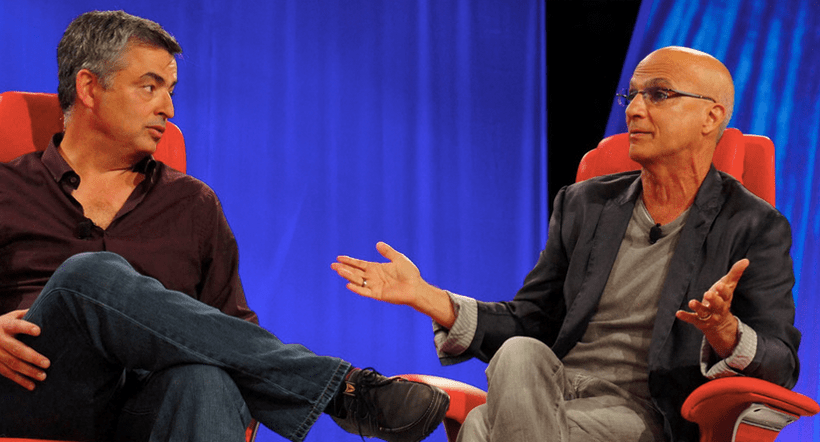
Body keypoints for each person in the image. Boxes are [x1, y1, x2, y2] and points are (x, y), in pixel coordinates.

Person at [0, 10, 449, 442]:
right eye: (150, 87)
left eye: (171, 90)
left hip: (150, 408)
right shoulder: (7, 189)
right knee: (88, 274)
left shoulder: (191, 204)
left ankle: (340, 392)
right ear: (89, 87)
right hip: (36, 389)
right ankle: (342, 391)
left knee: (207, 380)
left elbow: (232, 334)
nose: (168, 108)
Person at [331, 46, 800, 442]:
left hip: (641, 410)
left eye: (658, 94)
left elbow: (781, 363)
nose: (634, 109)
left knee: (479, 426)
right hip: (548, 389)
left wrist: (726, 333)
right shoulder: (585, 204)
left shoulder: (754, 225)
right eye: (632, 95)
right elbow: (530, 320)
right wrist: (425, 296)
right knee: (519, 352)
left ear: (710, 116)